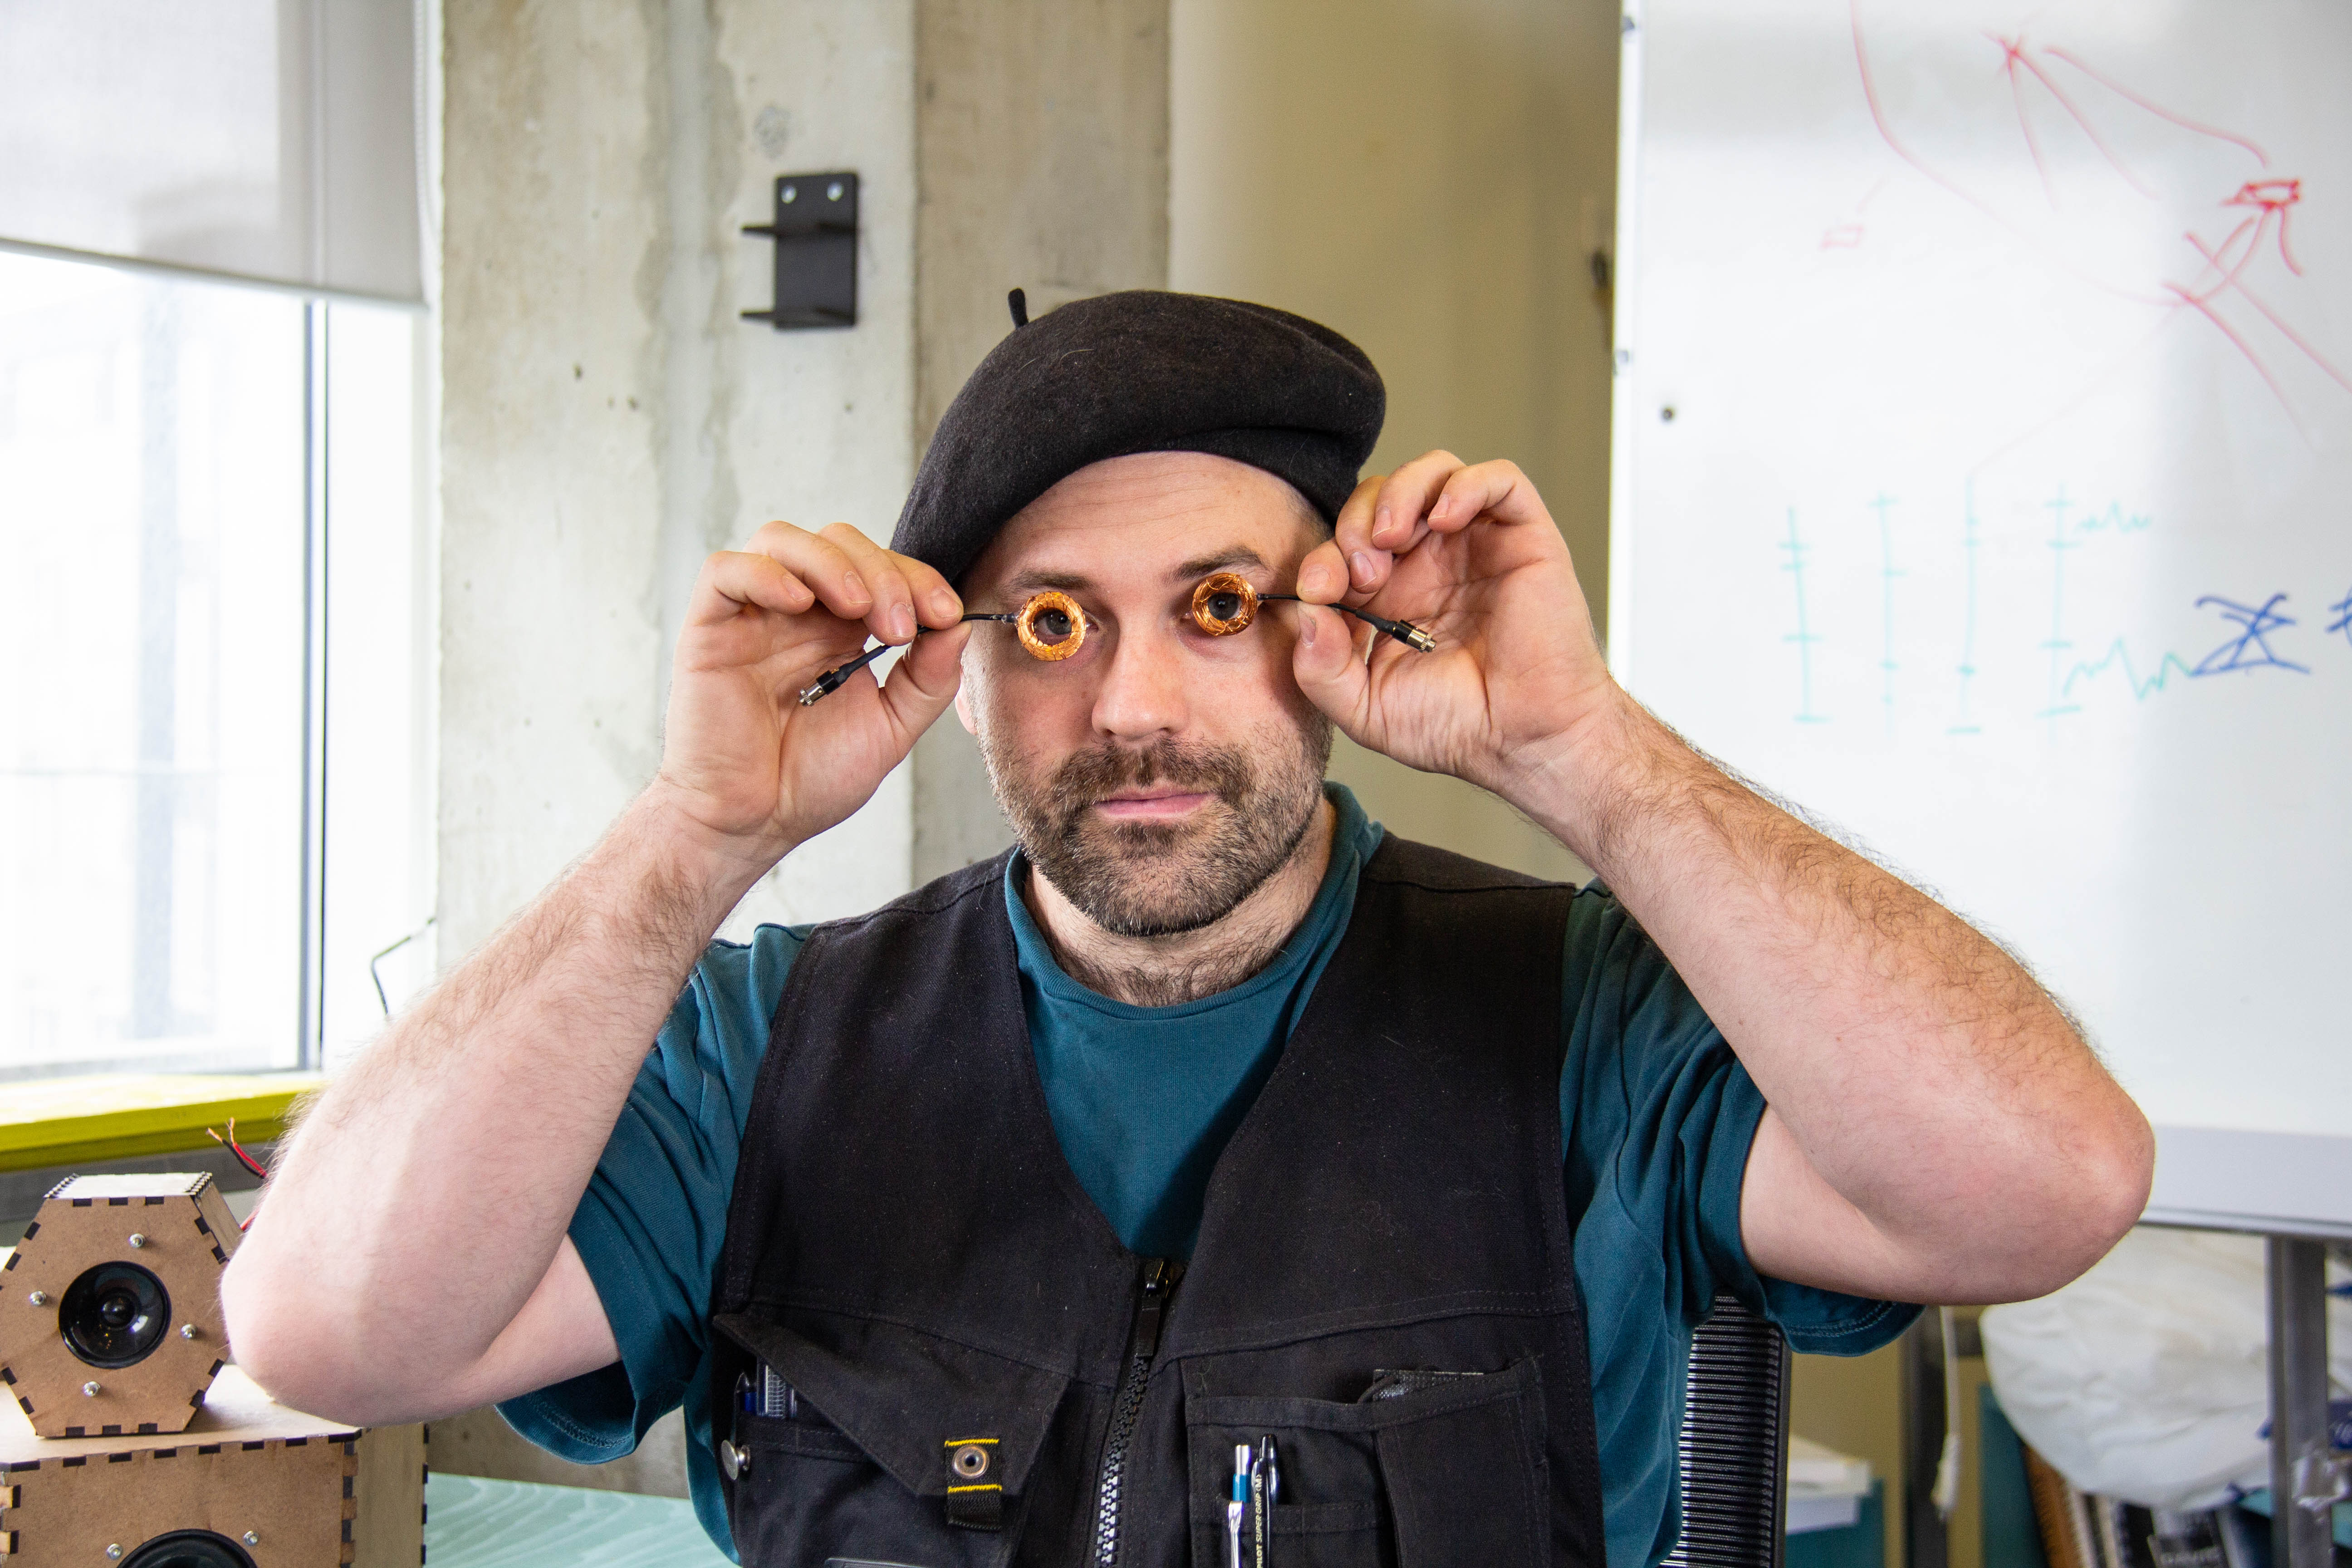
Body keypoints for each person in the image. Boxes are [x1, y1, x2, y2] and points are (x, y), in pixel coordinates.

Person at [223, 292, 2152, 1568]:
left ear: (1334, 638)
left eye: (1217, 605)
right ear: (954, 673)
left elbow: (2042, 1188)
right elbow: (329, 1333)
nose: (1134, 704)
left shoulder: (1589, 1010)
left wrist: (1584, 752)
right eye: (1052, 621)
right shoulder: (768, 1045)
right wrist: (694, 834)